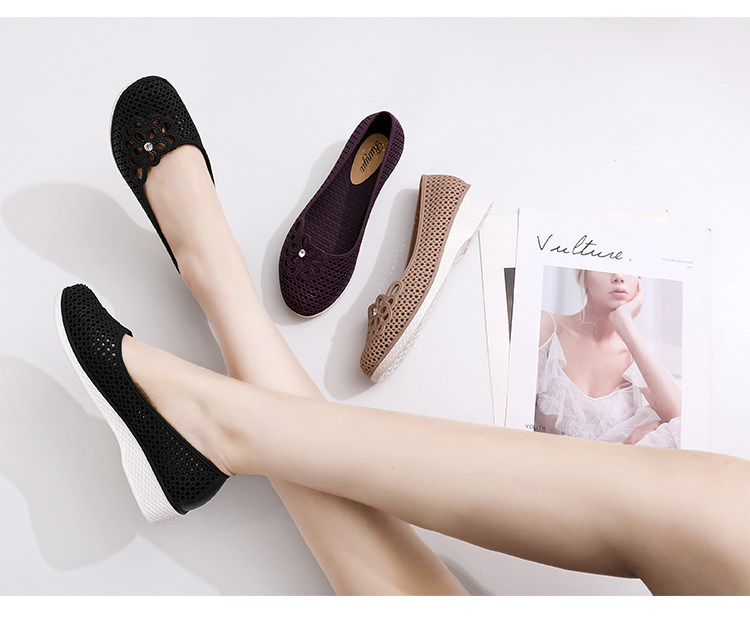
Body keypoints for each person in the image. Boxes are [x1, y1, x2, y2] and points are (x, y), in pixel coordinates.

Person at [57, 81, 750, 596]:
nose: (621, 280)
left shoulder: (626, 351)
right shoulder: (553, 327)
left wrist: (624, 326)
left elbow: (671, 411)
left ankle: (219, 329)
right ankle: (225, 324)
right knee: (704, 511)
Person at [536, 270, 682, 447]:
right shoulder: (546, 327)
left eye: (630, 269)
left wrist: (625, 323)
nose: (618, 277)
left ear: (639, 282)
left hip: (610, 466)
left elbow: (683, 423)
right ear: (584, 277)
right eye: (605, 267)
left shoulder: (636, 356)